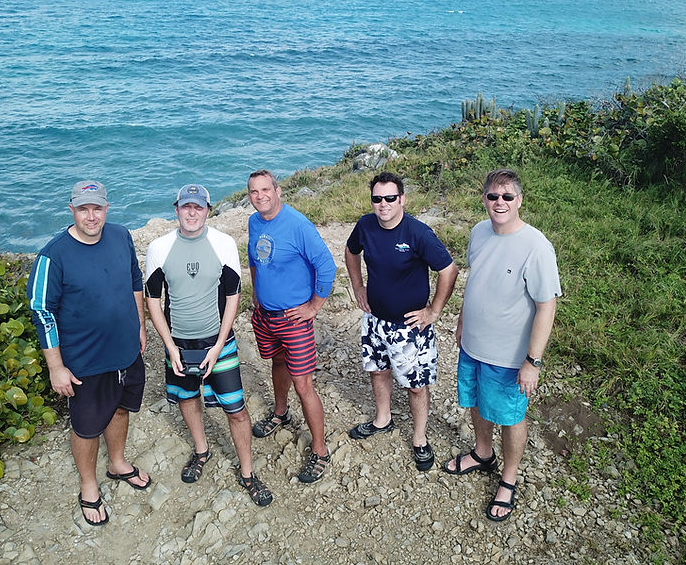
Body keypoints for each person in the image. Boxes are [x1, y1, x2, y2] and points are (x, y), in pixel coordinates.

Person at [27, 180, 151, 527]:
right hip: (85, 361)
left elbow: (133, 282)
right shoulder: (53, 255)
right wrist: (56, 367)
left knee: (122, 408)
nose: (91, 215)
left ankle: (117, 462)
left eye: (97, 208)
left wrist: (139, 326)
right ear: (72, 210)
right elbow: (42, 311)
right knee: (86, 428)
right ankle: (88, 485)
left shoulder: (121, 235)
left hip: (126, 351)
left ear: (106, 208)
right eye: (84, 209)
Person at [443, 168, 561, 523]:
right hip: (473, 346)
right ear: (484, 199)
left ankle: (508, 478)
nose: (500, 203)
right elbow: (474, 281)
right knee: (476, 401)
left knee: (511, 417)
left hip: (510, 358)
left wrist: (532, 362)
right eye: (493, 196)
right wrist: (462, 322)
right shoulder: (479, 232)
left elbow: (546, 306)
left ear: (520, 200)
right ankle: (482, 453)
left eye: (507, 196)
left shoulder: (537, 247)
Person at [143, 184, 273, 506]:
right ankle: (202, 450)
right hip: (179, 346)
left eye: (198, 207)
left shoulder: (223, 244)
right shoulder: (159, 247)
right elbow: (152, 300)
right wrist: (170, 347)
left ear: (207, 211)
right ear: (176, 210)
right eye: (185, 206)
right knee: (188, 399)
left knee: (237, 411)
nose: (191, 212)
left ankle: (247, 473)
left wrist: (219, 344)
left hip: (220, 344)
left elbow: (233, 295)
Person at [344, 171, 458, 471]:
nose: (383, 204)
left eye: (390, 198)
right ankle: (383, 419)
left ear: (402, 199)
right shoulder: (365, 225)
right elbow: (351, 250)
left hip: (410, 328)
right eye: (377, 199)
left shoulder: (418, 233)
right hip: (374, 321)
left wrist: (433, 311)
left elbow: (449, 270)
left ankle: (420, 438)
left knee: (416, 386)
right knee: (377, 371)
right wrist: (357, 286)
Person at [246, 169, 337, 483]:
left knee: (304, 385)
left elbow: (327, 265)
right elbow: (254, 261)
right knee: (277, 362)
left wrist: (313, 306)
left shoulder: (298, 225)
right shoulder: (254, 222)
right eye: (254, 192)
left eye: (265, 190)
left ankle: (321, 449)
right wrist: (257, 295)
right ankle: (281, 412)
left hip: (294, 319)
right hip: (266, 316)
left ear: (278, 190)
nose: (260, 196)